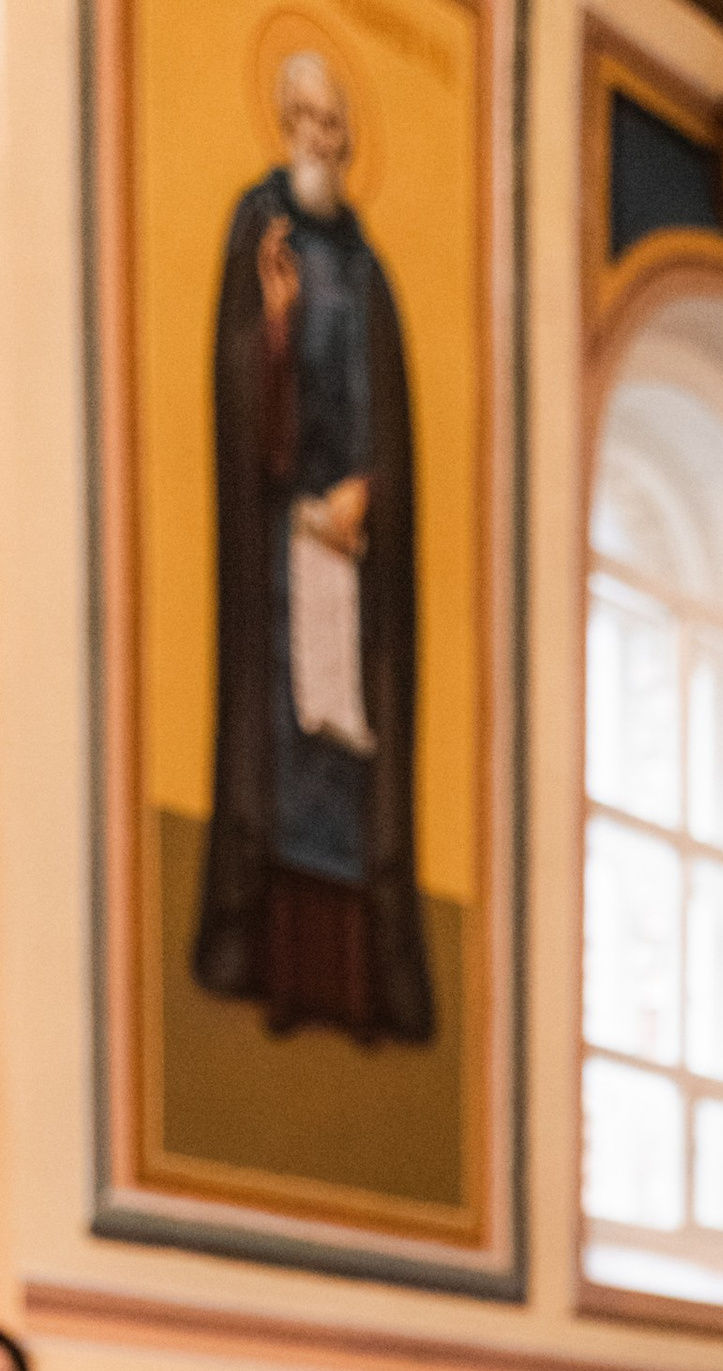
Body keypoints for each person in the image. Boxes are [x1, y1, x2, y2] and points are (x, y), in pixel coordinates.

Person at [195, 53, 432, 1046]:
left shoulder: (371, 270)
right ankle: (282, 977)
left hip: (351, 547)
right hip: (284, 561)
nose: (316, 142)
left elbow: (393, 426)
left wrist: (367, 490)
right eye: (300, 121)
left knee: (353, 764)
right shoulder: (266, 232)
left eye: (330, 125)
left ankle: (358, 986)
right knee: (285, 759)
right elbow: (243, 391)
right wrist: (280, 322)